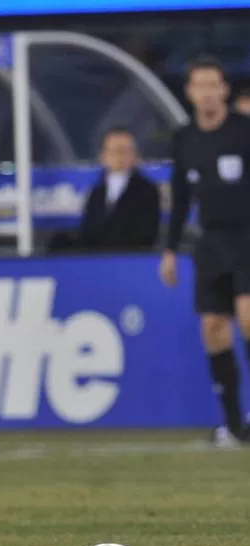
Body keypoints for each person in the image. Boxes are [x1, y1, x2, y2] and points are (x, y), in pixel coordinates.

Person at [160, 55, 250, 447]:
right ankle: (232, 426)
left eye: (215, 85)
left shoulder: (244, 131)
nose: (209, 93)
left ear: (225, 89)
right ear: (190, 92)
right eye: (201, 86)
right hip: (210, 241)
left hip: (248, 236)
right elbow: (180, 198)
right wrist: (169, 249)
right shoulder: (184, 138)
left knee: (248, 315)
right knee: (213, 329)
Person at [50, 127, 160, 253]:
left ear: (134, 155)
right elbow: (88, 231)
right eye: (114, 151)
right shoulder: (97, 192)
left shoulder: (147, 191)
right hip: (96, 260)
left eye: (124, 151)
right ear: (103, 155)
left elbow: (146, 235)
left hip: (128, 259)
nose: (119, 157)